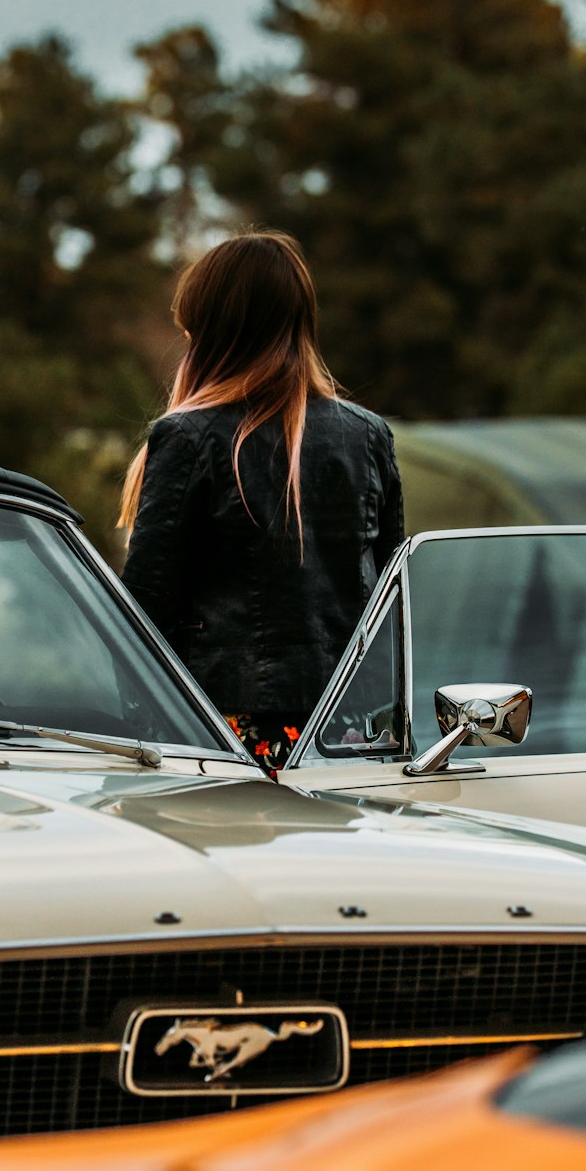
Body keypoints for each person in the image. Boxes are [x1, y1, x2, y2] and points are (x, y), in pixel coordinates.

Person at [119, 229, 403, 771]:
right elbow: (391, 600)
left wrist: (133, 721)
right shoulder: (368, 435)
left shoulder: (189, 437)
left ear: (213, 332)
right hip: (350, 734)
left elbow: (144, 608)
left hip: (224, 728)